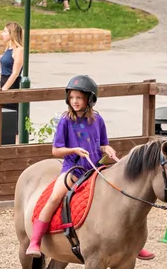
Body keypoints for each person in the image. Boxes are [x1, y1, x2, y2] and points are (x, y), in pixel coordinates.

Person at [27, 76, 116, 256]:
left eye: (79, 98)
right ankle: (35, 241)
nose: (74, 101)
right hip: (73, 169)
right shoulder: (66, 121)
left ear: (89, 100)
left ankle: (130, 244)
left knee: (116, 197)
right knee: (54, 198)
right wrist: (74, 150)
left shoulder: (98, 120)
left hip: (95, 168)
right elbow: (56, 151)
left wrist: (108, 149)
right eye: (72, 97)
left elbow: (102, 144)